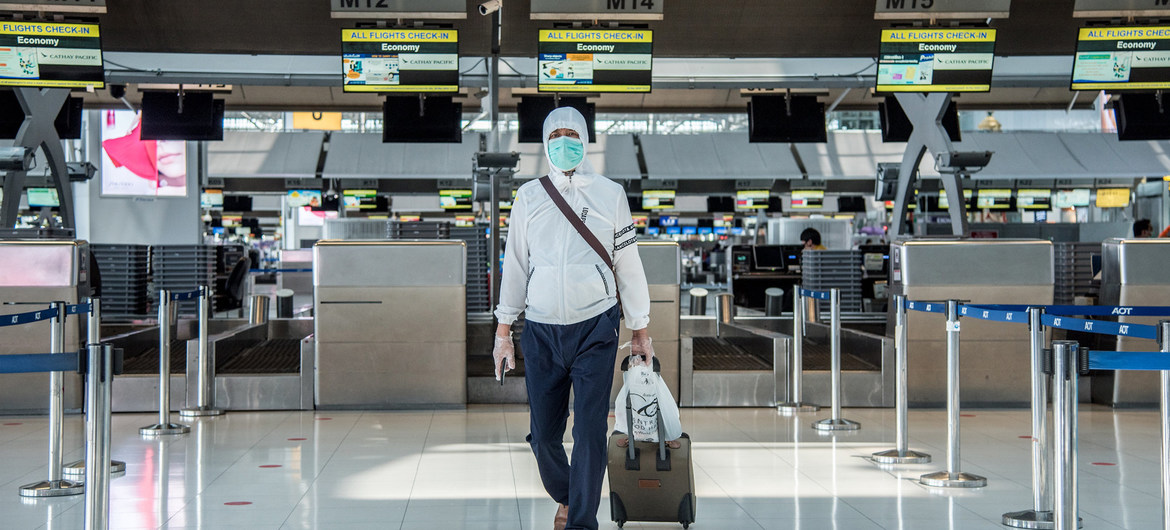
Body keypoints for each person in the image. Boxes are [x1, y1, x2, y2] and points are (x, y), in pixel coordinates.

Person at [492, 107, 654, 530]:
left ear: (585, 140)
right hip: (542, 328)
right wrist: (504, 330)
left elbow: (628, 263)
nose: (565, 142)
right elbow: (516, 265)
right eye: (556, 135)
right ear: (545, 143)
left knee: (588, 431)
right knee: (543, 435)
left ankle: (580, 520)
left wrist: (640, 328)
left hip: (596, 326)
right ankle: (568, 494)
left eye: (572, 134)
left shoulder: (610, 193)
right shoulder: (529, 196)